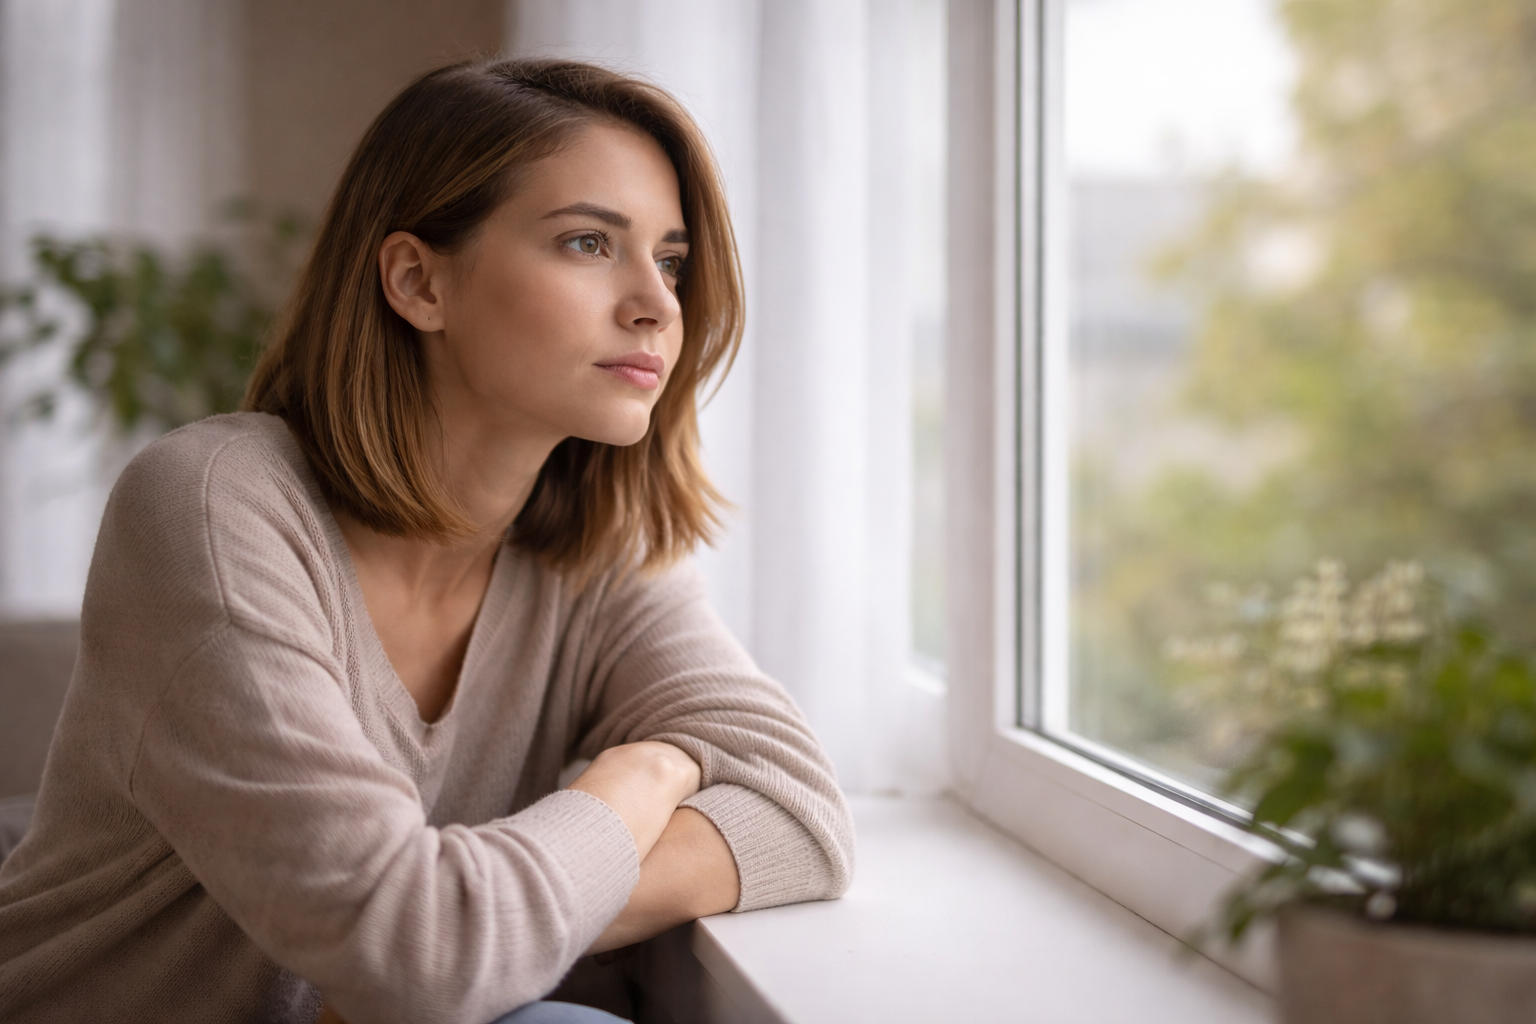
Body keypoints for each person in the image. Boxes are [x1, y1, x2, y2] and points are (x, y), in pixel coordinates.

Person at [0, 58, 854, 1024]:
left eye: (669, 260)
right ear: (418, 281)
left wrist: (475, 935)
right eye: (587, 242)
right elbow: (416, 959)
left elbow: (799, 813)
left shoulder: (594, 552)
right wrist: (643, 773)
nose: (656, 304)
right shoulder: (210, 506)